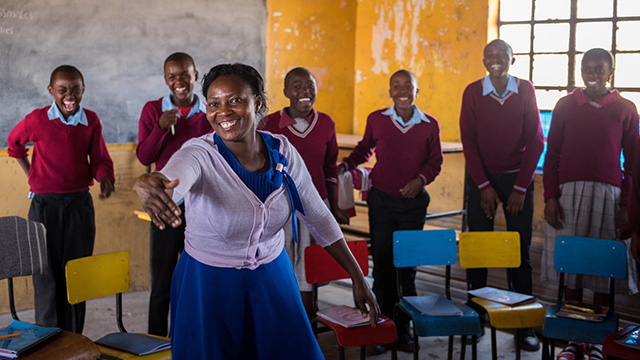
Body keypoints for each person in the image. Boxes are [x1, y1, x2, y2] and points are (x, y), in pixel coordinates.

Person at [132, 63, 379, 359]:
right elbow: (173, 178)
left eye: (234, 100)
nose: (223, 112)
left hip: (272, 277)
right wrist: (152, 184)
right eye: (214, 104)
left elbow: (318, 216)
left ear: (257, 103)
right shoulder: (199, 153)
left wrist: (357, 276)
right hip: (209, 283)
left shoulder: (283, 151)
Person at [541, 48, 639, 360]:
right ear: (580, 70)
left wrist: (626, 204)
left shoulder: (625, 108)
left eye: (599, 69)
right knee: (571, 268)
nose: (593, 74)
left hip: (608, 197)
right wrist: (550, 197)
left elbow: (633, 163)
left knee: (600, 267)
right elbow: (552, 154)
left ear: (610, 72)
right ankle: (574, 339)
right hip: (568, 195)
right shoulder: (566, 105)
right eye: (587, 68)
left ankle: (597, 340)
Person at [339, 69, 443, 352]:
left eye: (407, 86)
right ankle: (381, 327)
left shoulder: (429, 124)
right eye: (396, 86)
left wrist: (419, 180)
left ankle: (404, 329)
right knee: (383, 265)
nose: (402, 90)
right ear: (390, 91)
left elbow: (435, 162)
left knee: (406, 268)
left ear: (417, 91)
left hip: (413, 206)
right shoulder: (377, 119)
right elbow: (364, 149)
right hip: (382, 202)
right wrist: (345, 166)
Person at [7, 65, 115, 332]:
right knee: (46, 276)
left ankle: (73, 338)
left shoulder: (90, 120)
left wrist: (105, 178)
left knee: (76, 274)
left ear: (83, 90)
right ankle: (48, 340)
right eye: (63, 90)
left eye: (75, 90)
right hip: (45, 207)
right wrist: (31, 173)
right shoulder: (37, 120)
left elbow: (99, 158)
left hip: (79, 205)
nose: (70, 96)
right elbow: (14, 144)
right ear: (51, 91)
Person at [459, 39, 544, 351]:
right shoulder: (473, 91)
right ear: (483, 60)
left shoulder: (525, 90)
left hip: (517, 181)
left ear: (513, 59)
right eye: (490, 55)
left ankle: (524, 325)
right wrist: (483, 187)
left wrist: (520, 188)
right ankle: (476, 319)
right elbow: (468, 140)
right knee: (479, 249)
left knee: (518, 253)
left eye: (502, 55)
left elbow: (536, 140)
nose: (496, 60)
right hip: (481, 181)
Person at [257, 67, 349, 320]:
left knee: (308, 268)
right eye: (297, 86)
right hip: (280, 206)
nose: (304, 92)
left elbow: (330, 166)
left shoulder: (326, 123)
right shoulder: (269, 124)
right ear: (286, 92)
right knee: (282, 264)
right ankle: (284, 317)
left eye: (310, 86)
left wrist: (335, 204)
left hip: (315, 204)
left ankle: (307, 322)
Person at [135, 52, 211, 337]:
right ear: (165, 80)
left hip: (202, 205)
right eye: (172, 76)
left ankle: (189, 337)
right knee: (162, 279)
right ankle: (155, 340)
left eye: (184, 74)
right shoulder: (154, 110)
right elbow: (145, 155)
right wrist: (161, 128)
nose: (178, 81)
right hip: (165, 206)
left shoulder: (209, 111)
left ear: (195, 75)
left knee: (196, 279)